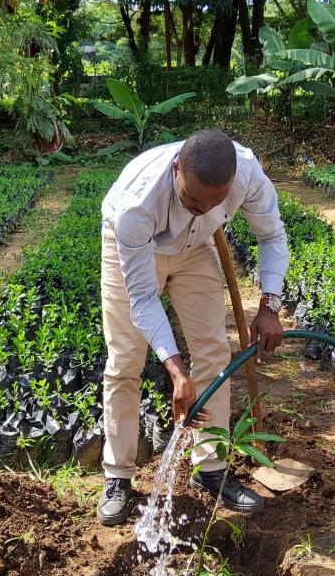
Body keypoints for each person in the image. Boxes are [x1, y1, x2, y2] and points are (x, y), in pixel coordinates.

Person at [96, 129, 289, 525]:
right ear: (176, 169)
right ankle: (118, 476)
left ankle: (211, 468)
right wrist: (175, 369)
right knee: (126, 361)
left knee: (215, 353)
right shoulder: (137, 205)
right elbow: (144, 300)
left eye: (215, 202)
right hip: (134, 250)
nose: (203, 208)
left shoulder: (248, 172)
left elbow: (271, 234)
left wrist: (270, 303)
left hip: (197, 249)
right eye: (192, 200)